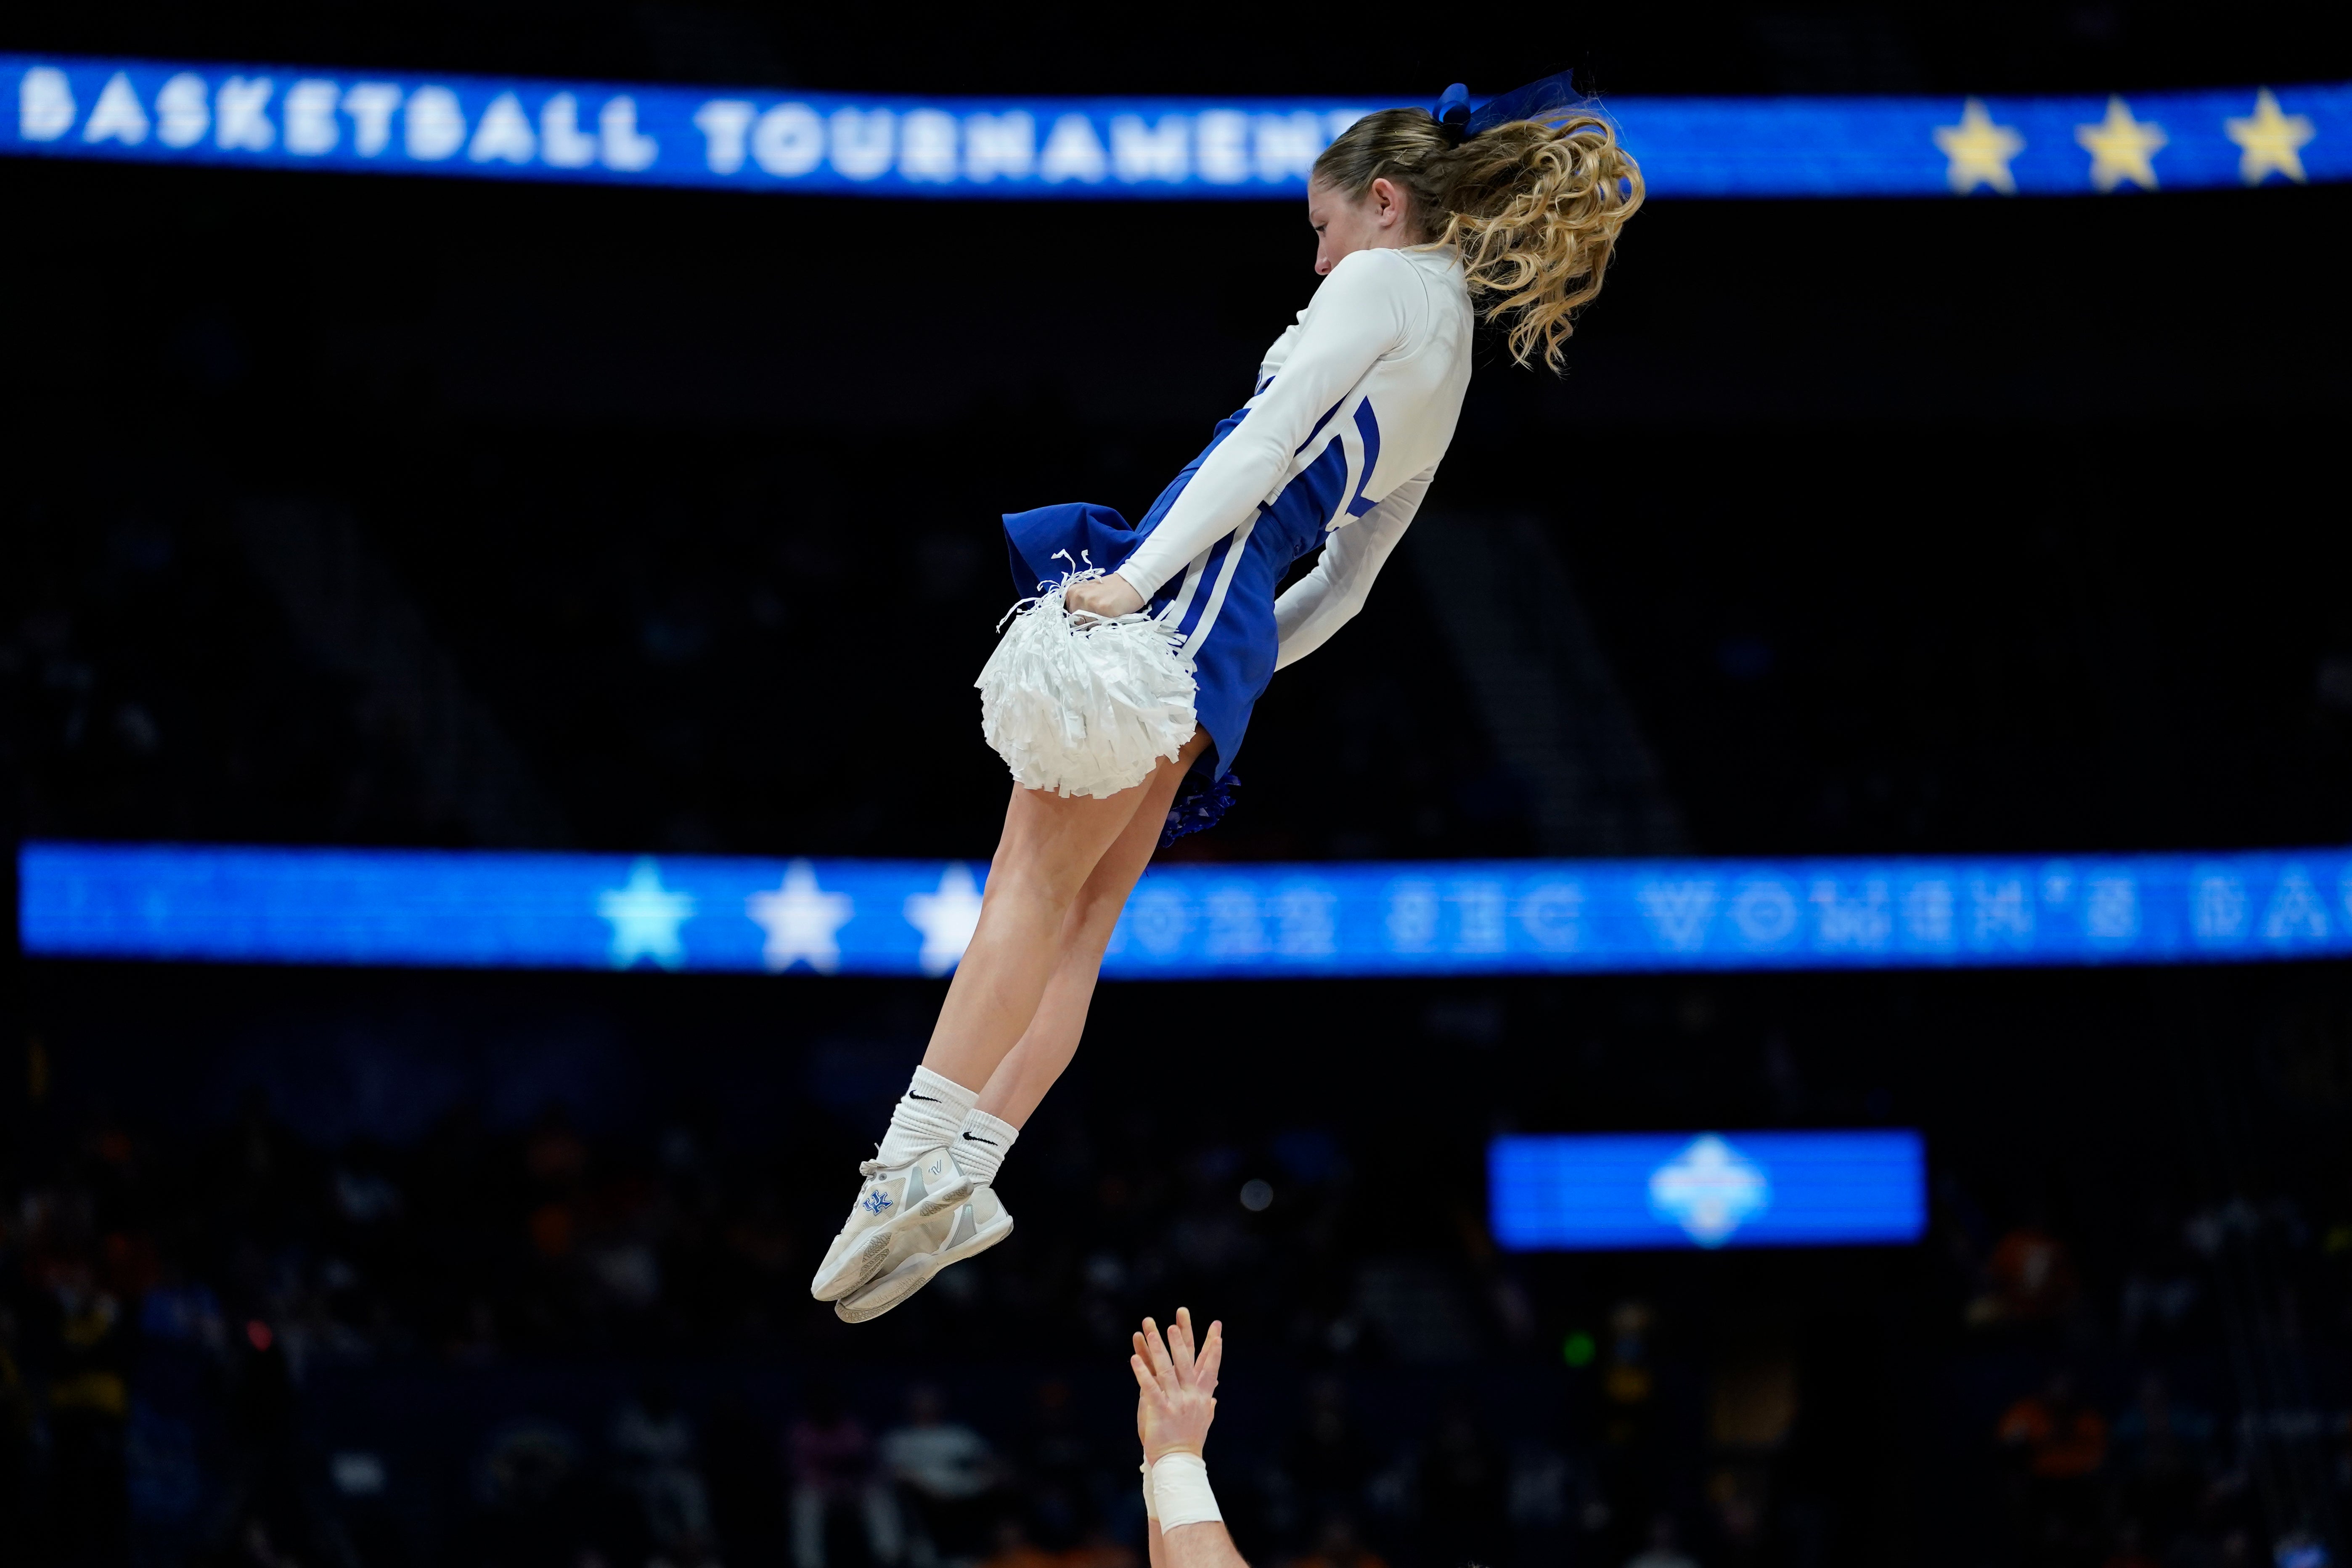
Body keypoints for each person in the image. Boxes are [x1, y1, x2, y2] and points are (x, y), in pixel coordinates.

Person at [812, 74, 1646, 1322]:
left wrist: (1143, 591)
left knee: (1028, 886)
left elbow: (1257, 455)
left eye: (1319, 227)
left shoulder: (1381, 280)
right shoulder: (1457, 351)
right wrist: (1228, 669)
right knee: (1080, 924)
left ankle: (907, 1166)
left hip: (1192, 580)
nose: (1315, 260)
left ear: (1381, 201)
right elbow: (1349, 589)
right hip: (1229, 632)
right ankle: (970, 1169)